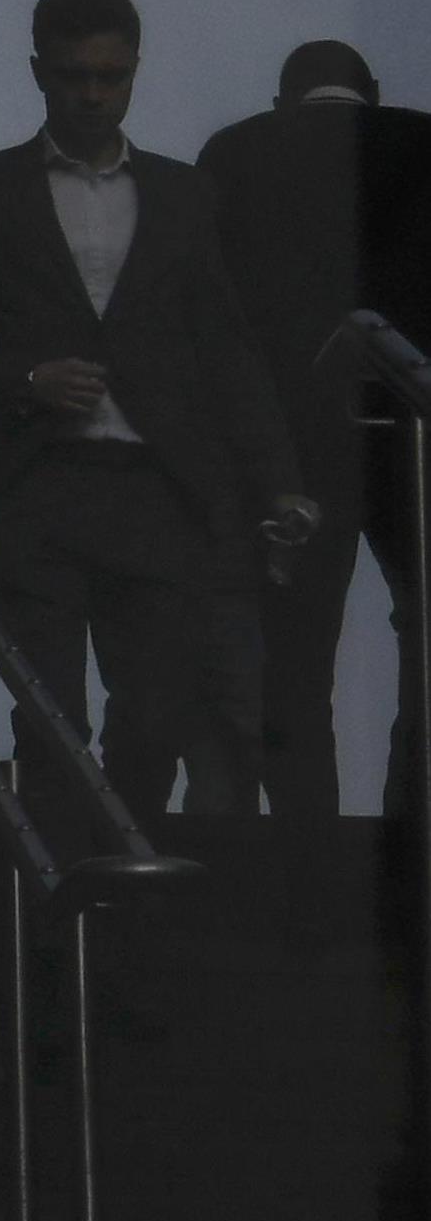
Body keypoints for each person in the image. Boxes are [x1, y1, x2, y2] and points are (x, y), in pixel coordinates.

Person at [0, 0, 307, 827]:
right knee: (49, 716)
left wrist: (277, 483)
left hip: (159, 489)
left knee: (155, 718)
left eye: (109, 77)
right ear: (37, 75)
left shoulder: (184, 196)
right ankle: (59, 910)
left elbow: (227, 353)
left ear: (132, 75)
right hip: (40, 486)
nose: (92, 95)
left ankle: (125, 887)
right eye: (72, 77)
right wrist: (23, 380)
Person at [198, 40, 431, 826]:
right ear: (372, 90)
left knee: (293, 654)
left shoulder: (232, 153)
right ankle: (411, 809)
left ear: (278, 102)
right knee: (423, 631)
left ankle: (307, 831)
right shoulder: (424, 144)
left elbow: (215, 311)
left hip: (291, 438)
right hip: (416, 435)